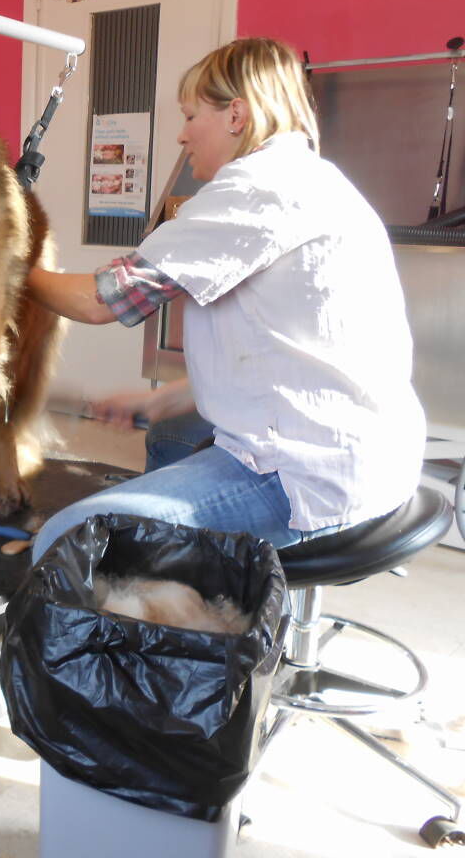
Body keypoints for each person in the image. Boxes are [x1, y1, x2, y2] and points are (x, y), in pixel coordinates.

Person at [26, 37, 425, 561]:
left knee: (71, 539)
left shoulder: (256, 190)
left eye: (192, 116)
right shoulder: (320, 180)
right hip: (380, 450)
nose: (182, 134)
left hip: (310, 474)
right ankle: (176, 579)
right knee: (170, 437)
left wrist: (9, 271)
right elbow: (286, 352)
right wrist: (159, 399)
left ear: (236, 115)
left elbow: (99, 302)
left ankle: (177, 592)